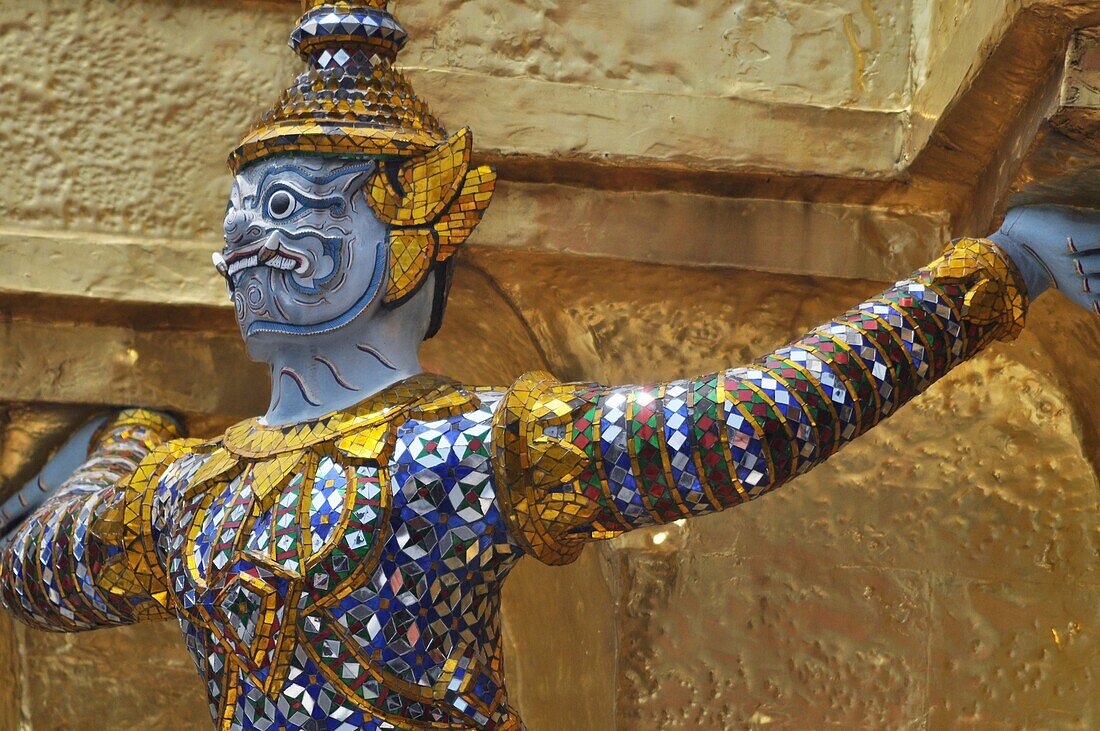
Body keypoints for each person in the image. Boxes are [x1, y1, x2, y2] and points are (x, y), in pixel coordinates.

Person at [1, 2, 1097, 729]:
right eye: (243, 213)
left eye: (286, 209)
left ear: (406, 230)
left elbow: (747, 424)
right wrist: (130, 437)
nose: (242, 244)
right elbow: (38, 572)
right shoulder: (187, 491)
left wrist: (992, 271)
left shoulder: (458, 453)